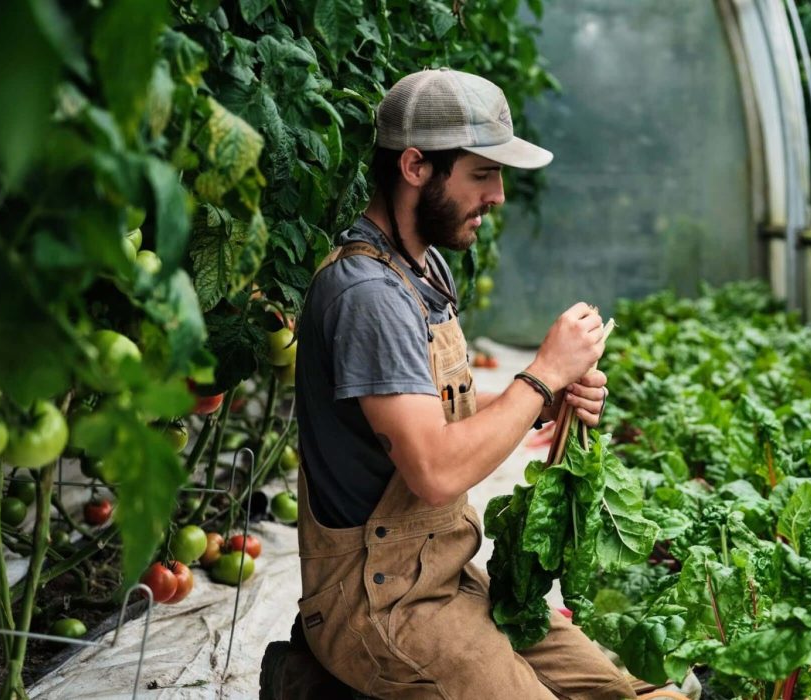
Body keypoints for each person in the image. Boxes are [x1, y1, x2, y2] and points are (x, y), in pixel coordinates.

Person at [273, 68, 662, 700]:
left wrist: (546, 402)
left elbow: (431, 411)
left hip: (444, 576)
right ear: (416, 167)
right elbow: (432, 470)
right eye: (482, 173)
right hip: (381, 604)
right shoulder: (368, 295)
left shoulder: (419, 267)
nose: (500, 195)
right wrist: (540, 378)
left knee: (621, 690)